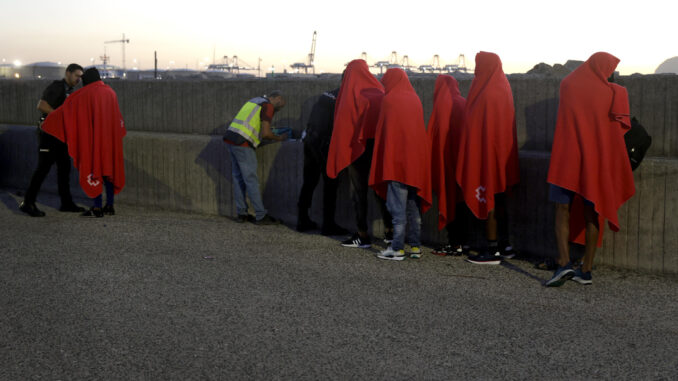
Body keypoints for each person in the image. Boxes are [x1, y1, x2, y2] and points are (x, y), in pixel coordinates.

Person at [545, 52, 635, 287]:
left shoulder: (567, 84)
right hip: (594, 162)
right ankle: (586, 270)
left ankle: (563, 263)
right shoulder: (612, 93)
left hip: (566, 157)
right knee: (593, 210)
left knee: (561, 209)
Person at [455, 52, 520, 265]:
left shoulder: (485, 91)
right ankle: (504, 245)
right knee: (500, 197)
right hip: (502, 154)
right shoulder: (503, 87)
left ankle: (491, 249)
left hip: (487, 155)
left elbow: (476, 125)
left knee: (490, 195)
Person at [41, 68, 126, 218]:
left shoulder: (84, 94)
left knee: (94, 168)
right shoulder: (111, 92)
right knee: (108, 169)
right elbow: (117, 119)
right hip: (109, 140)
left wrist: (49, 122)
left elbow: (66, 111)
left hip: (93, 141)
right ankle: (110, 205)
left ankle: (97, 207)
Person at [326, 59, 393, 248]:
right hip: (378, 149)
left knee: (359, 194)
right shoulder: (380, 92)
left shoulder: (349, 94)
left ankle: (362, 235)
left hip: (357, 152)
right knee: (382, 191)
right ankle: (390, 232)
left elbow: (342, 128)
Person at [369, 68, 432, 260]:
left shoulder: (389, 100)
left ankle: (397, 248)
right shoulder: (415, 98)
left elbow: (385, 133)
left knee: (397, 208)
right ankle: (415, 247)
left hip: (396, 163)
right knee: (413, 206)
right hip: (415, 163)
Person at [19, 63, 85, 217]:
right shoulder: (57, 87)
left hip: (60, 136)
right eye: (76, 75)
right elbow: (41, 105)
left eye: (81, 77)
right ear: (68, 73)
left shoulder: (69, 90)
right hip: (48, 136)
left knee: (64, 169)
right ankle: (27, 203)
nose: (78, 79)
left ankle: (66, 203)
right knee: (42, 169)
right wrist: (59, 115)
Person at [223, 90, 287, 225]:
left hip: (231, 139)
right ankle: (260, 215)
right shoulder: (268, 106)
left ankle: (242, 214)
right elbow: (265, 134)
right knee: (250, 180)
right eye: (280, 107)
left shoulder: (255, 100)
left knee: (238, 178)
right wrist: (279, 137)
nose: (278, 110)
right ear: (278, 99)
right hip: (243, 143)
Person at [427, 75, 471, 256]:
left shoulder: (441, 106)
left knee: (448, 200)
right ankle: (462, 243)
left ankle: (453, 243)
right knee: (461, 201)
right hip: (464, 162)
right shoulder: (463, 102)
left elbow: (434, 137)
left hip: (446, 162)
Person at [296, 88, 348, 235]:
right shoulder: (344, 96)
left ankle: (302, 219)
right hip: (325, 144)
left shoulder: (328, 94)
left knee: (309, 183)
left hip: (310, 140)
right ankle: (328, 224)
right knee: (331, 184)